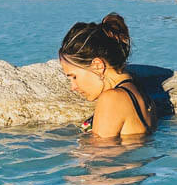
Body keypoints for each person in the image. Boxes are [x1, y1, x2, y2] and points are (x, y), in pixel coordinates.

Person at [59, 12, 156, 140]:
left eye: (74, 77)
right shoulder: (135, 86)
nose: (73, 87)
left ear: (97, 65)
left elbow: (97, 156)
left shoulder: (112, 99)